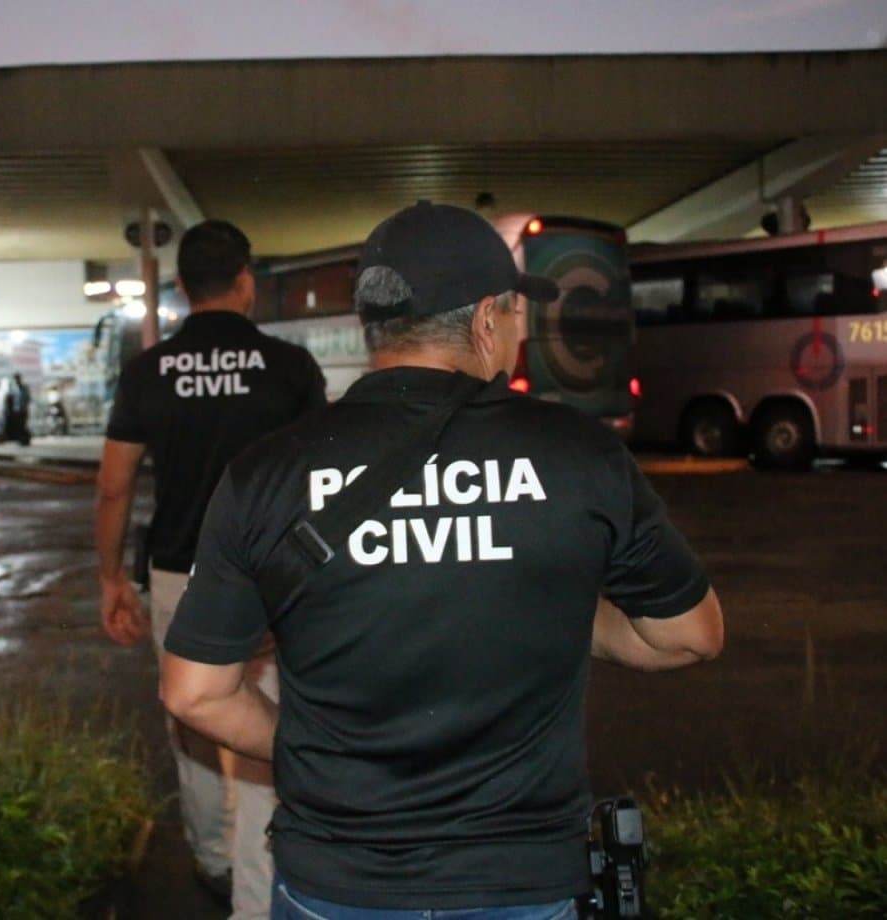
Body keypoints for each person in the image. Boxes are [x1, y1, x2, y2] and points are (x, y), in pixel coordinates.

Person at [159, 201, 725, 919]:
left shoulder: (266, 474)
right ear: (488, 319)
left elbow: (194, 693)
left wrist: (312, 754)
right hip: (521, 882)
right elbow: (688, 634)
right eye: (518, 314)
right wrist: (554, 601)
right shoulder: (579, 454)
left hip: (337, 881)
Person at [95, 219, 327, 920]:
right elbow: (322, 481)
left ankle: (210, 855)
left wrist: (110, 578)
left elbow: (114, 484)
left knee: (191, 717)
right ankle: (259, 896)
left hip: (178, 571)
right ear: (246, 280)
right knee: (266, 721)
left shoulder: (147, 373)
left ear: (180, 288)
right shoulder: (289, 369)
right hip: (274, 577)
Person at [0, 372, 32, 445]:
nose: (17, 380)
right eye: (15, 379)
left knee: (21, 425)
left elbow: (27, 399)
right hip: (14, 411)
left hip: (22, 410)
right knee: (13, 424)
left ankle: (22, 438)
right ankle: (15, 437)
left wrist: (24, 407)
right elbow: (8, 399)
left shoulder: (24, 388)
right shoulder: (12, 389)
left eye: (17, 378)